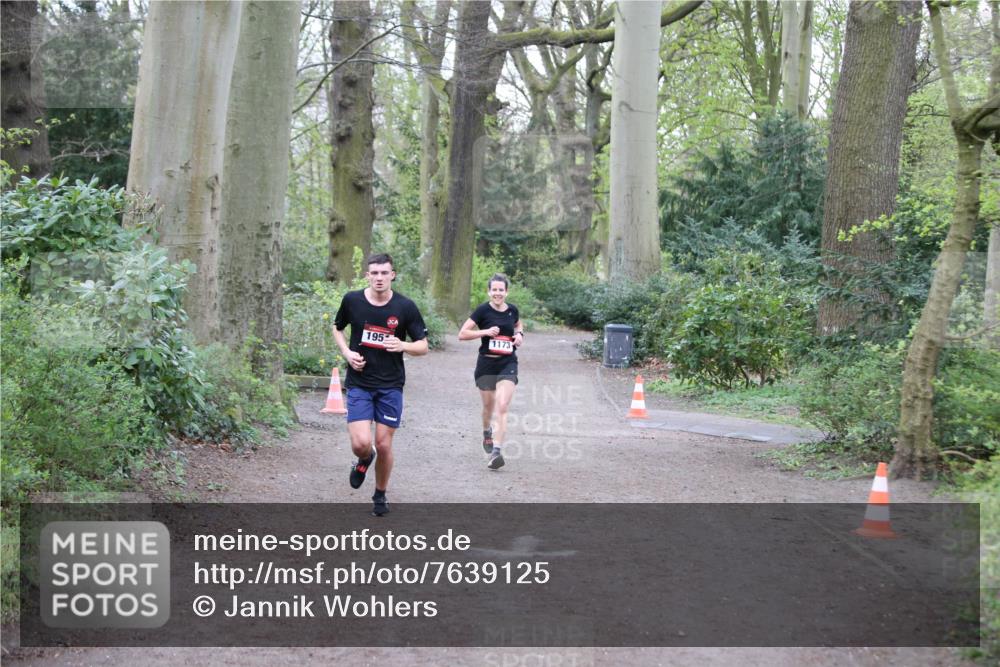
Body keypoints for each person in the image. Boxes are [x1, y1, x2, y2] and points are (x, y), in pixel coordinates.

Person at [332, 253, 428, 516]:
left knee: (384, 444)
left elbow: (423, 346)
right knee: (361, 443)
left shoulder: (405, 307)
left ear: (392, 275)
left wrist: (403, 345)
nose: (379, 278)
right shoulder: (352, 300)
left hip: (391, 385)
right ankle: (364, 458)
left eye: (384, 273)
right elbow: (337, 328)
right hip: (360, 382)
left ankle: (380, 494)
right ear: (367, 275)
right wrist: (347, 354)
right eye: (374, 273)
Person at [458, 273, 524, 470]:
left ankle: (496, 451)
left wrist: (519, 334)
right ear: (489, 291)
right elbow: (462, 334)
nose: (497, 293)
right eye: (494, 290)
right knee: (488, 407)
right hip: (486, 364)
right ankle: (487, 431)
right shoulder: (482, 311)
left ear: (506, 292)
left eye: (501, 290)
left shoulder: (512, 310)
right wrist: (484, 332)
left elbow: (518, 324)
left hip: (507, 363)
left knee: (502, 406)